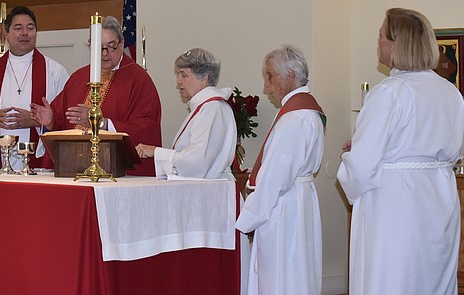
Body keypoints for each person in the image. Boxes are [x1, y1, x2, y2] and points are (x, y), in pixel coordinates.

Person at [337, 8, 464, 295]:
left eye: (381, 35)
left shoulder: (390, 92)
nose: (378, 42)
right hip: (439, 199)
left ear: (396, 45)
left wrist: (352, 155)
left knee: (393, 279)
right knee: (433, 278)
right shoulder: (450, 92)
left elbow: (360, 166)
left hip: (395, 203)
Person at [235, 45, 325, 295]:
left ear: (291, 76)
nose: (266, 85)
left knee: (281, 275)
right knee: (297, 271)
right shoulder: (305, 110)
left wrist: (246, 219)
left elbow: (275, 179)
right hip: (297, 201)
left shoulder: (294, 118)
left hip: (284, 208)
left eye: (270, 76)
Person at [34, 15, 161, 176]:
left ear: (121, 44)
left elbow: (147, 128)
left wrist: (102, 123)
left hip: (116, 171)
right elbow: (62, 122)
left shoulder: (138, 79)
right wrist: (51, 121)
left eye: (110, 47)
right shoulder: (79, 77)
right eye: (98, 48)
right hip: (74, 166)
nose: (105, 54)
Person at [0, 6, 69, 169]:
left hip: (39, 164)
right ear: (6, 34)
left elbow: (67, 116)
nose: (25, 33)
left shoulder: (54, 71)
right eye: (18, 28)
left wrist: (37, 121)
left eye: (30, 28)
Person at [135, 48, 233, 179]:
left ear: (204, 78)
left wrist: (156, 152)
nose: (179, 81)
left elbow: (198, 162)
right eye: (178, 74)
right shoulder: (205, 107)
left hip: (213, 189)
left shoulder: (212, 108)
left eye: (184, 75)